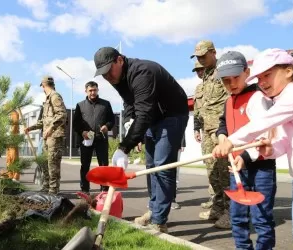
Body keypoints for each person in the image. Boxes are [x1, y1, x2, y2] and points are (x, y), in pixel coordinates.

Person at [213, 48, 293, 249]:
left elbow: (263, 123)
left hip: (260, 169)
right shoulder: (277, 99)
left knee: (264, 218)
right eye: (259, 78)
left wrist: (232, 143)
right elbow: (283, 141)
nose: (262, 82)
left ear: (288, 71)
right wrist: (271, 150)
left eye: (267, 75)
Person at [93, 47, 189, 233]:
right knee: (151, 165)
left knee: (162, 166)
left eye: (108, 71)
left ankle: (159, 221)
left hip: (172, 116)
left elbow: (144, 113)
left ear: (119, 60)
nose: (107, 77)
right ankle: (153, 211)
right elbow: (130, 104)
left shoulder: (142, 72)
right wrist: (130, 126)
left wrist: (124, 147)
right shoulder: (117, 77)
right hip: (154, 118)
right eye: (102, 74)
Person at [215, 51, 277, 249]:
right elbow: (223, 124)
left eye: (236, 78)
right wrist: (221, 136)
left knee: (262, 218)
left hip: (261, 167)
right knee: (238, 217)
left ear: (247, 72)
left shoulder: (258, 97)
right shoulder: (228, 101)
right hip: (237, 169)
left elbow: (266, 134)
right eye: (226, 80)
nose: (231, 84)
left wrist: (245, 155)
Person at [191, 40, 230, 228]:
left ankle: (231, 212)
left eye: (203, 56)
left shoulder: (224, 69)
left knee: (225, 171)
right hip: (207, 129)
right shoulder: (206, 75)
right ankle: (218, 207)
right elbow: (202, 106)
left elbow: (231, 97)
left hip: (220, 129)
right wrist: (198, 127)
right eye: (197, 57)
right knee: (212, 171)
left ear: (214, 52)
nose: (200, 60)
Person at [25, 76, 67, 195]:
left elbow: (62, 115)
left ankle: (53, 191)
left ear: (43, 86)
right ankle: (46, 187)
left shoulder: (55, 96)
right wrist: (31, 128)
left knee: (52, 164)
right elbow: (44, 121)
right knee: (44, 163)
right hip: (47, 137)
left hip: (54, 136)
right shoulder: (48, 100)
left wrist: (51, 128)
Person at [73, 81, 115, 194]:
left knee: (103, 165)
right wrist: (82, 132)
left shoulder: (106, 104)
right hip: (87, 139)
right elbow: (75, 123)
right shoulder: (80, 105)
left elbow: (112, 119)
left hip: (101, 138)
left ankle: (104, 189)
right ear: (85, 91)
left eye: (95, 90)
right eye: (90, 90)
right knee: (85, 165)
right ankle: (85, 189)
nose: (93, 92)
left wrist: (107, 126)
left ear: (97, 90)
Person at [192, 61, 216, 210]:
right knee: (209, 165)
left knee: (221, 166)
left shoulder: (216, 82)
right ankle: (214, 198)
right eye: (197, 71)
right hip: (205, 131)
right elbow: (197, 111)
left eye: (201, 69)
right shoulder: (199, 88)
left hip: (217, 130)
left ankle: (223, 203)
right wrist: (196, 129)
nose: (199, 72)